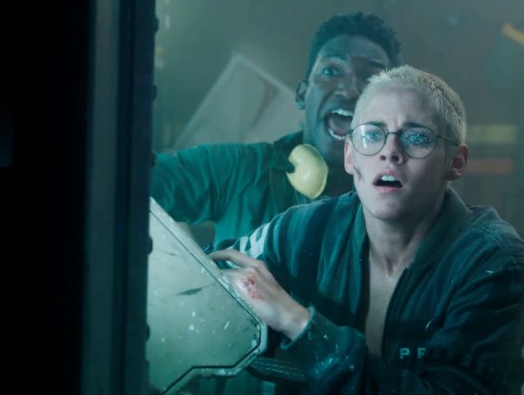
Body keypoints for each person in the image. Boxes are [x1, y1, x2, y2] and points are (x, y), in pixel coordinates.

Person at [209, 65, 524, 394]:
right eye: (372, 135)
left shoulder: (493, 262)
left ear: (455, 162)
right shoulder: (305, 230)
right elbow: (202, 279)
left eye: (417, 138)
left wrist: (297, 323)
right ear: (350, 156)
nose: (390, 152)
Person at [150, 11, 403, 247]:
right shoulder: (237, 170)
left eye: (371, 79)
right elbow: (138, 182)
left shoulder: (403, 205)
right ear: (302, 93)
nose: (349, 90)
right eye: (331, 71)